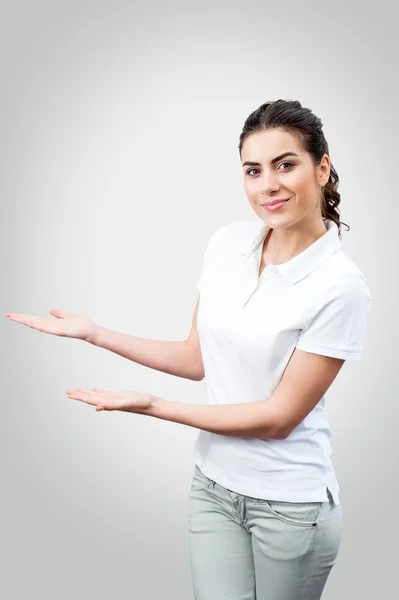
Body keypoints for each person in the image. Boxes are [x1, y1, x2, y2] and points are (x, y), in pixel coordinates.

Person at [5, 99, 372, 600]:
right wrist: (95, 332)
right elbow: (195, 358)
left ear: (322, 168)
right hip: (214, 486)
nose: (268, 185)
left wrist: (153, 406)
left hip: (291, 505)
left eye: (286, 164)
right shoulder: (227, 245)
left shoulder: (340, 286)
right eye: (253, 170)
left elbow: (279, 417)